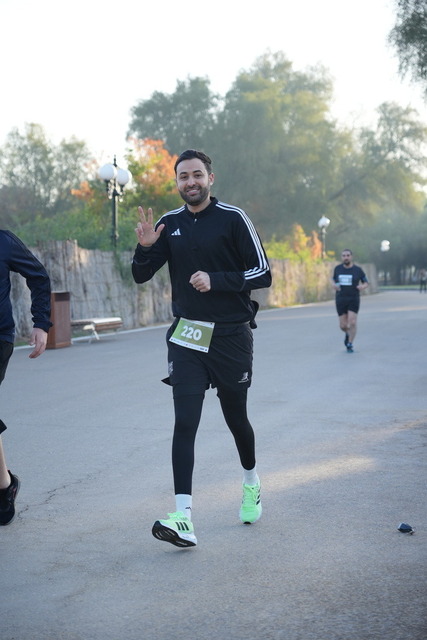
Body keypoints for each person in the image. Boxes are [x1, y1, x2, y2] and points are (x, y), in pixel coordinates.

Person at [132, 149, 272, 548]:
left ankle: (250, 481)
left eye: (197, 175)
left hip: (230, 336)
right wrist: (145, 248)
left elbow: (263, 273)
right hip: (188, 336)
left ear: (211, 178)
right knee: (185, 422)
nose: (190, 182)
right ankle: (183, 518)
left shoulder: (233, 218)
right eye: (183, 176)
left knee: (236, 418)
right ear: (177, 183)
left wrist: (217, 279)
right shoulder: (169, 223)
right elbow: (140, 275)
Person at [0, 230, 52, 525]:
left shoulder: (3, 241)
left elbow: (39, 276)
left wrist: (41, 323)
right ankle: (4, 485)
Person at [332, 249, 369, 353]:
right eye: (344, 256)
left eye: (348, 255)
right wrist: (334, 285)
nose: (346, 257)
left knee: (352, 322)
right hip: (341, 299)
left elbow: (366, 282)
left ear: (351, 257)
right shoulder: (338, 269)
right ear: (341, 257)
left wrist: (362, 286)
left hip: (353, 298)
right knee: (343, 325)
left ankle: (350, 343)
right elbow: (333, 280)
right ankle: (348, 334)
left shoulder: (358, 270)